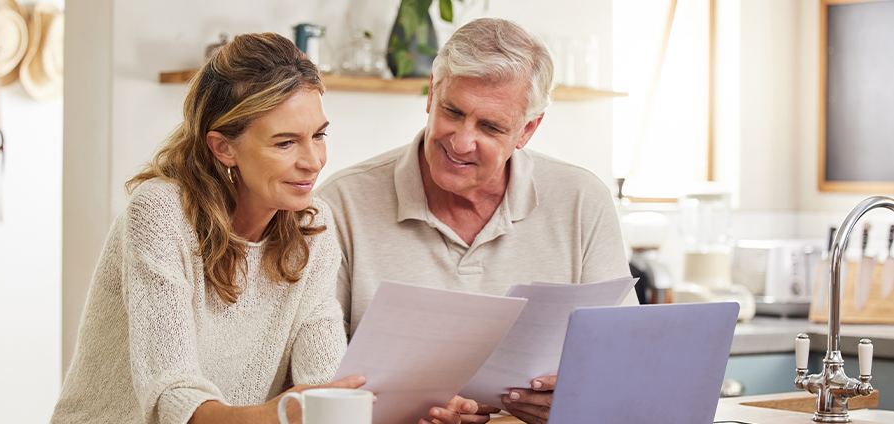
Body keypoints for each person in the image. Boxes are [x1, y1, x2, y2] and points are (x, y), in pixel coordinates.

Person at [316, 18, 637, 424]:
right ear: (432, 93)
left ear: (527, 130)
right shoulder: (340, 202)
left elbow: (626, 361)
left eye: (490, 126)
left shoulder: (582, 200)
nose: (462, 141)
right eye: (453, 111)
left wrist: (580, 397)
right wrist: (398, 411)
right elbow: (317, 379)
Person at [49, 32, 362, 424]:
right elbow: (174, 397)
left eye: (319, 135)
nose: (314, 161)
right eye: (286, 143)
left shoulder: (312, 226)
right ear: (223, 147)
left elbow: (327, 379)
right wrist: (277, 415)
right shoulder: (161, 214)